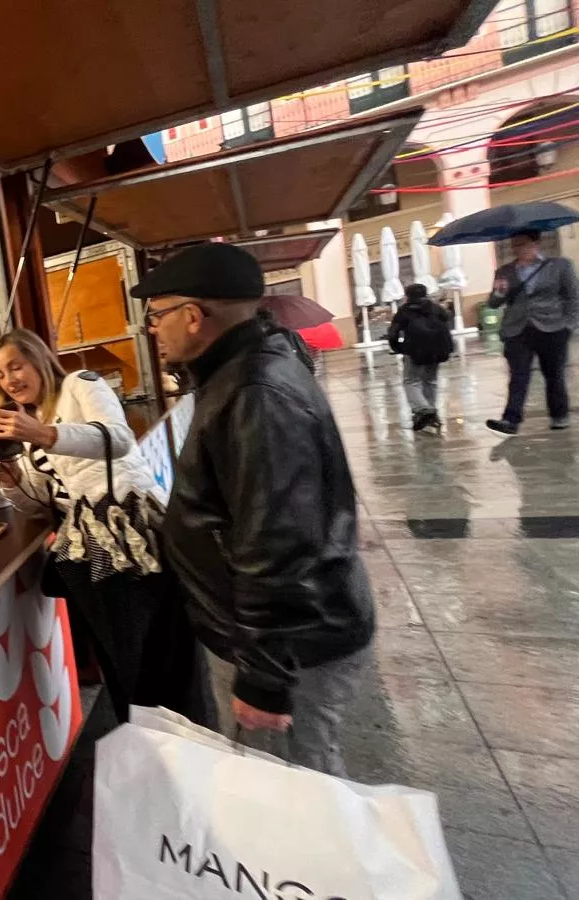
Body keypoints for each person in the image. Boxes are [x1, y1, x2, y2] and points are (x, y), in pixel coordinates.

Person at [137, 241, 374, 775]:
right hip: (286, 634)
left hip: (291, 646)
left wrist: (264, 677)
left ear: (194, 317)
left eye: (157, 315)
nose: (153, 329)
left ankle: (320, 861)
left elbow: (279, 543)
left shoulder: (255, 394)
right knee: (284, 782)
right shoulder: (244, 371)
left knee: (291, 791)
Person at [0, 328, 202, 723]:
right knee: (119, 662)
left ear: (38, 360)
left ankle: (183, 743)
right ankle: (141, 749)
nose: (9, 380)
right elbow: (40, 501)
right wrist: (11, 481)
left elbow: (119, 440)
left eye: (16, 366)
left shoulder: (79, 385)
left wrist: (47, 434)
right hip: (89, 553)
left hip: (131, 536)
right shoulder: (29, 425)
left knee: (157, 654)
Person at [485, 229, 578, 434]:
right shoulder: (504, 271)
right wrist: (499, 291)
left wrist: (569, 325)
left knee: (553, 374)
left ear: (536, 243)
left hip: (552, 327)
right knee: (518, 375)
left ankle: (559, 415)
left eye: (521, 244)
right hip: (517, 330)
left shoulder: (560, 266)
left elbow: (573, 296)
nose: (516, 249)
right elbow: (493, 303)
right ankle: (510, 420)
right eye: (514, 245)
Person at [386, 283, 454, 432]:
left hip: (415, 350)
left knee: (411, 381)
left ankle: (423, 409)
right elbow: (447, 318)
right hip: (438, 349)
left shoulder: (405, 310)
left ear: (407, 296)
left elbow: (393, 333)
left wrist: (398, 348)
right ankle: (431, 412)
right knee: (430, 380)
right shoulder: (435, 308)